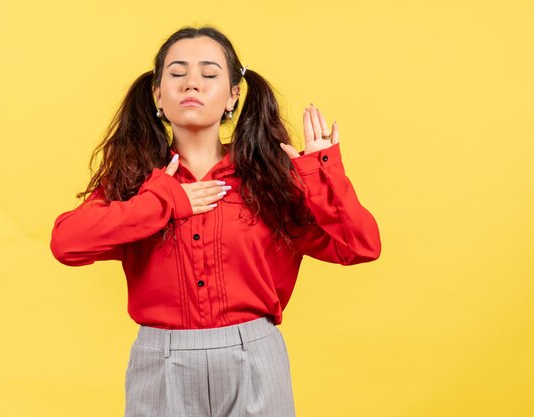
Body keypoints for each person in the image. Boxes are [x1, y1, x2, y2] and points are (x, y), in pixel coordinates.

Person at [50, 25, 381, 417]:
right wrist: (165, 202)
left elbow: (360, 246)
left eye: (209, 75)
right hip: (161, 361)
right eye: (176, 74)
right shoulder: (137, 184)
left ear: (232, 96)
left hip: (255, 356)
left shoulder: (268, 180)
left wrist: (321, 175)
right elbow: (67, 243)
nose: (192, 83)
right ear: (157, 94)